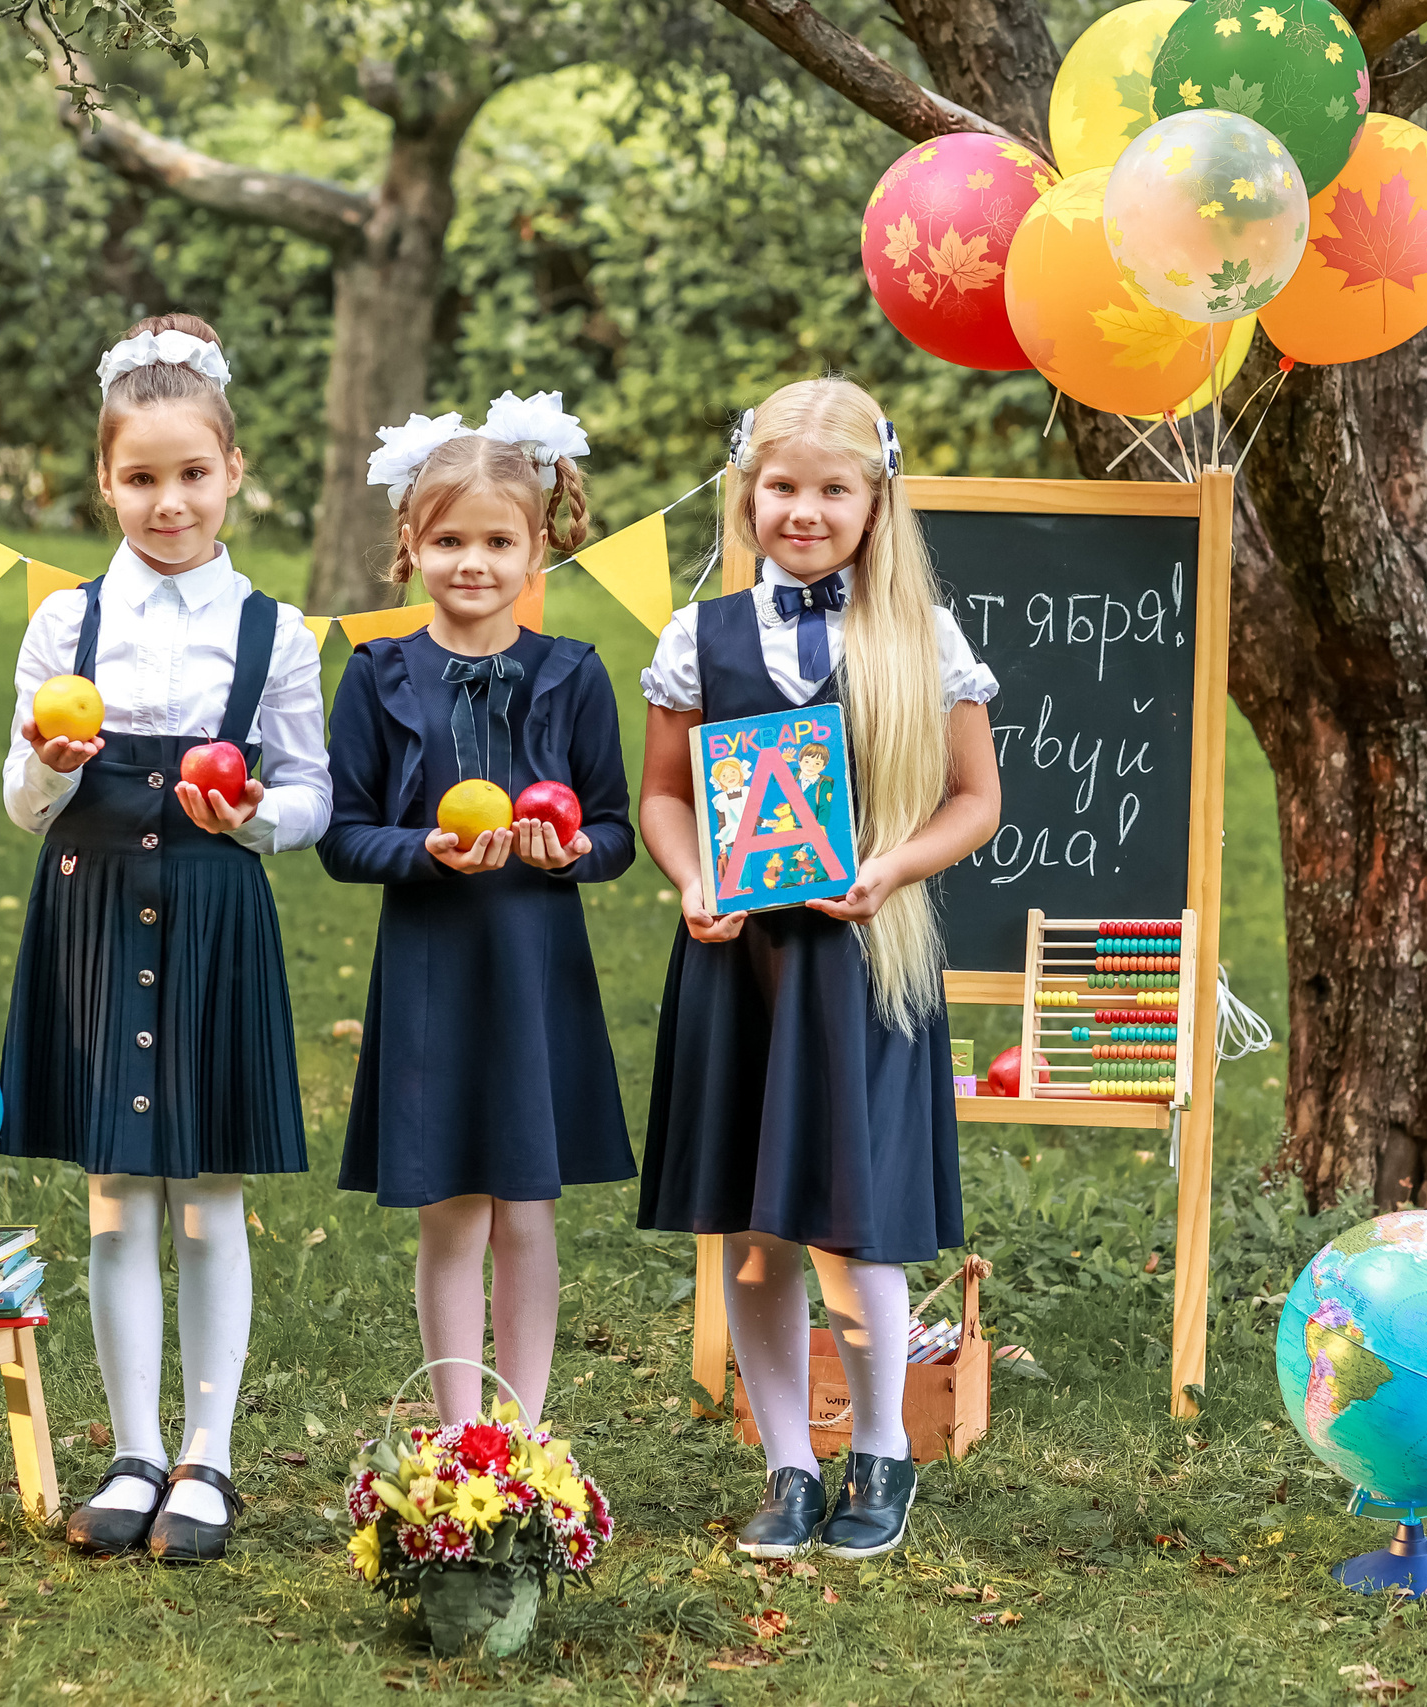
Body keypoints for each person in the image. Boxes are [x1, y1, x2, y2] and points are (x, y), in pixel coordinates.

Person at [635, 378, 1002, 1560]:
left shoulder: (917, 638)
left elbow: (975, 801)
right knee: (752, 1229)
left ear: (873, 499)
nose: (803, 509)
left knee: (855, 1226)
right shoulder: (698, 636)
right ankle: (789, 1466)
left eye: (831, 489)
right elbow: (661, 794)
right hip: (737, 964)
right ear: (747, 495)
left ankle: (881, 1452)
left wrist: (893, 870)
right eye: (781, 487)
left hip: (857, 965)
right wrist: (692, 878)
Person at [0, 315, 330, 1564]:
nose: (169, 501)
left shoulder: (274, 634)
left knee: (209, 1198)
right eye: (141, 477)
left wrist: (253, 820)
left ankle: (212, 1459)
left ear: (234, 471)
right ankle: (133, 1449)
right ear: (105, 483)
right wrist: (45, 758)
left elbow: (314, 794)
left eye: (193, 474)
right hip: (89, 901)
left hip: (210, 909)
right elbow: (22, 806)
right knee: (116, 1195)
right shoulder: (64, 627)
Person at [320, 392, 637, 1429]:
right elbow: (342, 833)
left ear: (538, 545)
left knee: (529, 1214)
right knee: (451, 1215)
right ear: (408, 546)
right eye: (448, 539)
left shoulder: (574, 674)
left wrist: (572, 852)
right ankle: (462, 1433)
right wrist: (425, 853)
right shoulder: (377, 676)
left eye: (497, 541)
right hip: (430, 968)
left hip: (536, 968)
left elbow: (616, 830)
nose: (473, 563)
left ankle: (525, 1429)